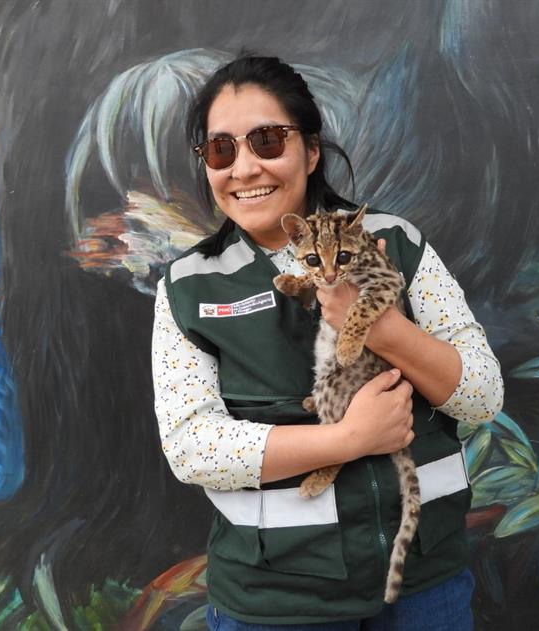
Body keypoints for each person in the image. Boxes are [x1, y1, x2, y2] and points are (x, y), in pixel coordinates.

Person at [152, 55, 503, 630]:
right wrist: (348, 439)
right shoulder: (188, 287)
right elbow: (193, 447)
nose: (244, 168)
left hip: (423, 582)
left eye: (267, 140)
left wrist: (383, 327)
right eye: (221, 150)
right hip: (278, 602)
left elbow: (482, 395)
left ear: (311, 151)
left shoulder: (397, 242)